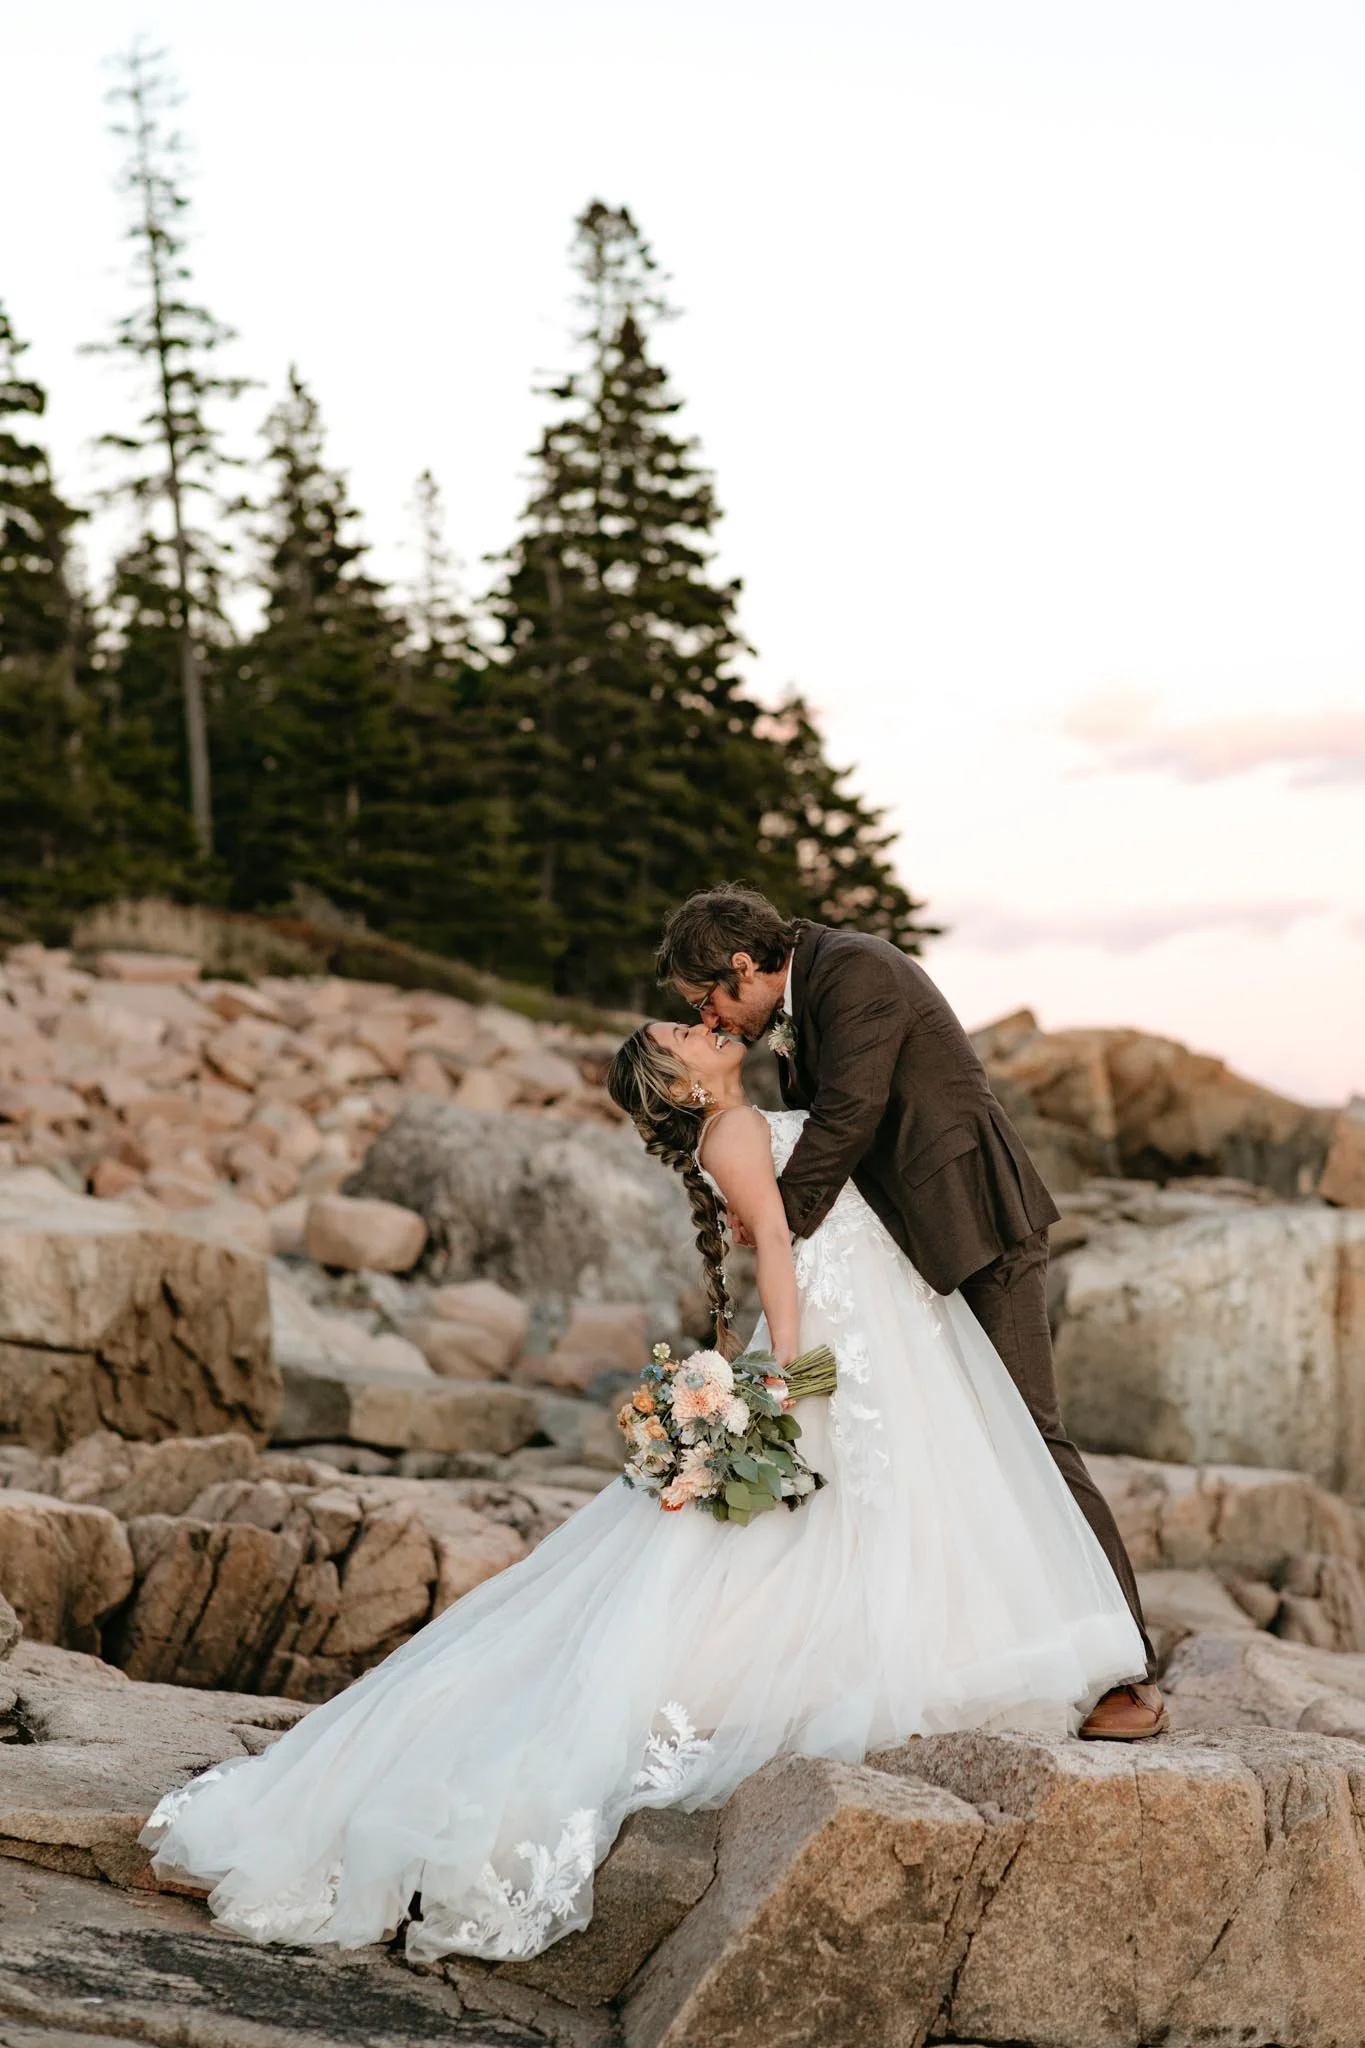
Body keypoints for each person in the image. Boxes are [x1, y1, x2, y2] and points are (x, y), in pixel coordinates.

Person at [139, 996, 1148, 1967]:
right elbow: (780, 1260)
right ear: (679, 1077)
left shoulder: (738, 1123)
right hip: (843, 1345)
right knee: (829, 1533)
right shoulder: (737, 1133)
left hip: (877, 1331)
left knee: (829, 1530)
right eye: (680, 1031)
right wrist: (790, 1378)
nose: (700, 1024)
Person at [655, 882, 1163, 1741]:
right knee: (957, 1448)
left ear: (743, 966)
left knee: (1031, 1438)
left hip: (977, 1231)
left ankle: (1130, 1673)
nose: (712, 1018)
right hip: (908, 1251)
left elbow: (852, 1112)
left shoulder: (855, 972)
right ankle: (1014, 1642)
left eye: (708, 999)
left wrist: (776, 1212)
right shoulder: (804, 995)